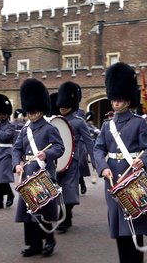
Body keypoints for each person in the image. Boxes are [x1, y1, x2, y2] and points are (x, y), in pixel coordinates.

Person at [94, 62, 147, 263]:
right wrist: (102, 167)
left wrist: (143, 161)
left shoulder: (139, 122)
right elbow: (98, 149)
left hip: (133, 179)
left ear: (128, 101)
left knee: (134, 224)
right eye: (113, 100)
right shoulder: (107, 125)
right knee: (120, 227)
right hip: (113, 181)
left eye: (119, 100)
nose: (115, 103)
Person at [13, 78, 65, 257]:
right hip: (28, 174)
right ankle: (33, 244)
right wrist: (16, 164)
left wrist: (47, 155)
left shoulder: (50, 128)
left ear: (41, 110)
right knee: (29, 211)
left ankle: (49, 240)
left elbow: (59, 148)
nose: (31, 114)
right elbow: (17, 149)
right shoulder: (24, 130)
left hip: (44, 173)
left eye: (34, 111)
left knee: (45, 209)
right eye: (30, 111)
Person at [56, 81, 96, 232]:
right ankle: (67, 216)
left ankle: (65, 218)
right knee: (60, 189)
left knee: (69, 188)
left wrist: (94, 161)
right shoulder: (57, 121)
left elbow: (89, 142)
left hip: (73, 160)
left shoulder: (79, 122)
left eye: (65, 105)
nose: (62, 107)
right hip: (59, 160)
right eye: (61, 105)